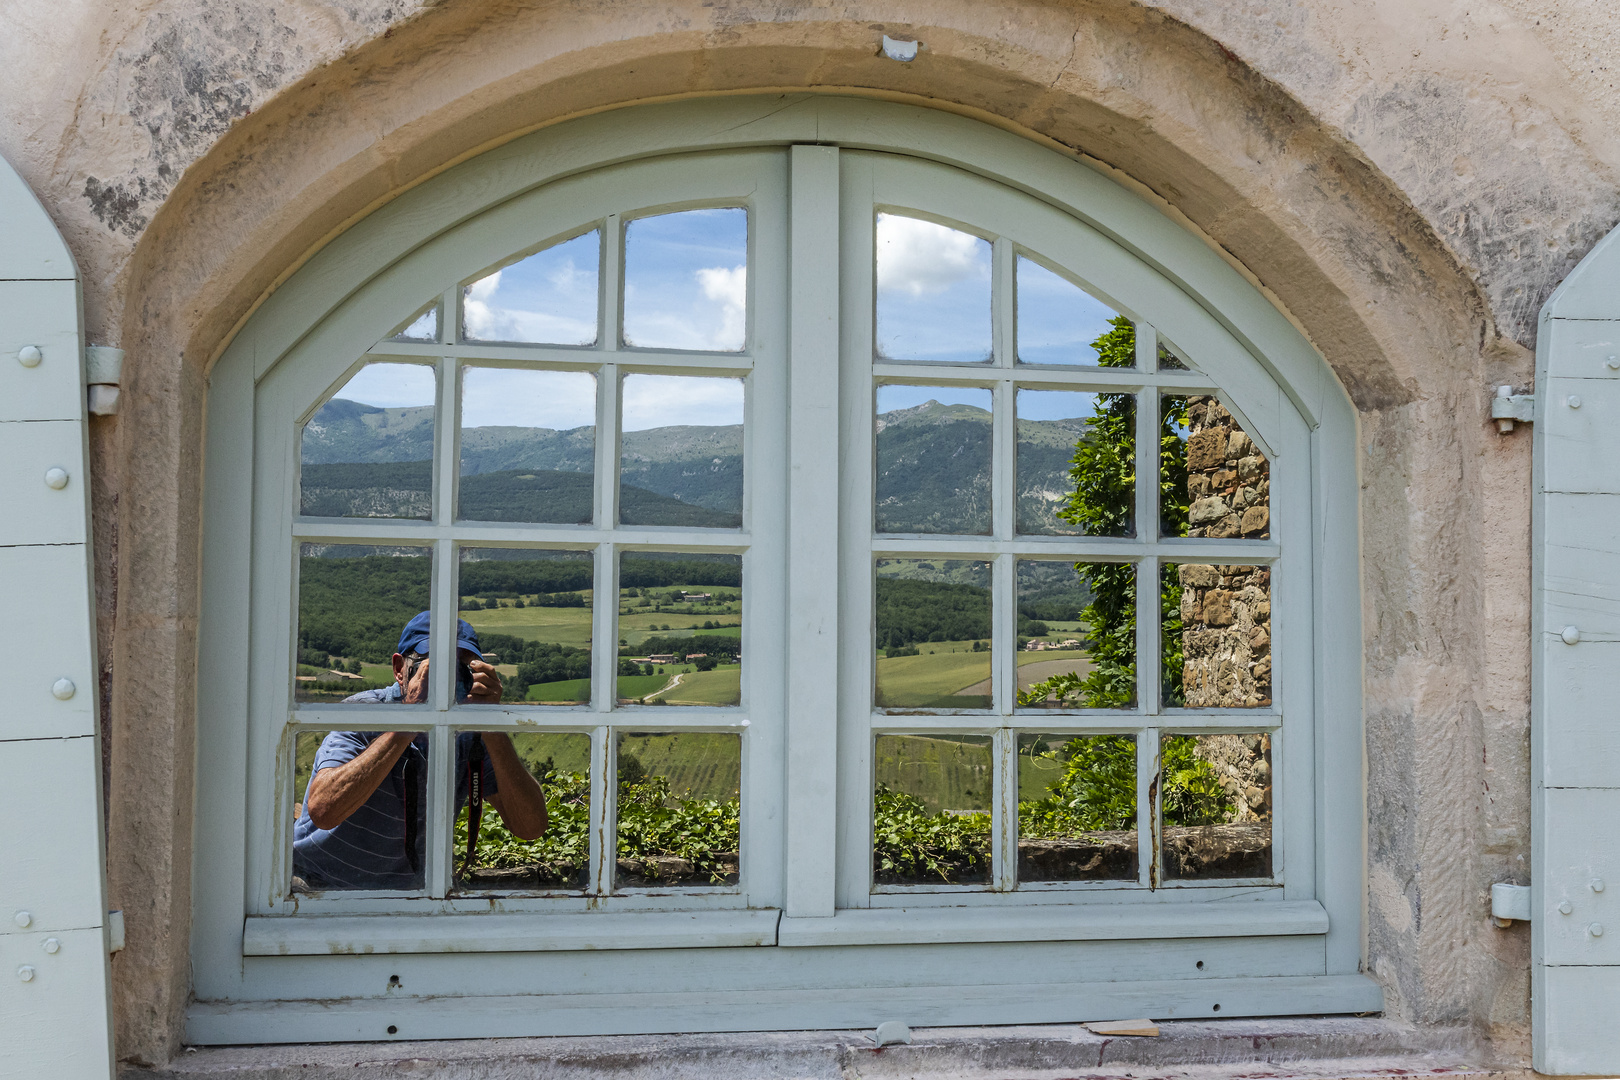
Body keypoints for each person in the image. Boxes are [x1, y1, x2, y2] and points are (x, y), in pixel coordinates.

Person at [292, 612, 548, 891]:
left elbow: (530, 826)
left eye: (460, 667)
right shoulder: (364, 712)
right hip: (320, 882)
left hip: (409, 895)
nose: (447, 679)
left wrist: (491, 724)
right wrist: (409, 721)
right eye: (434, 666)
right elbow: (323, 811)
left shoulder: (469, 734)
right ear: (399, 668)